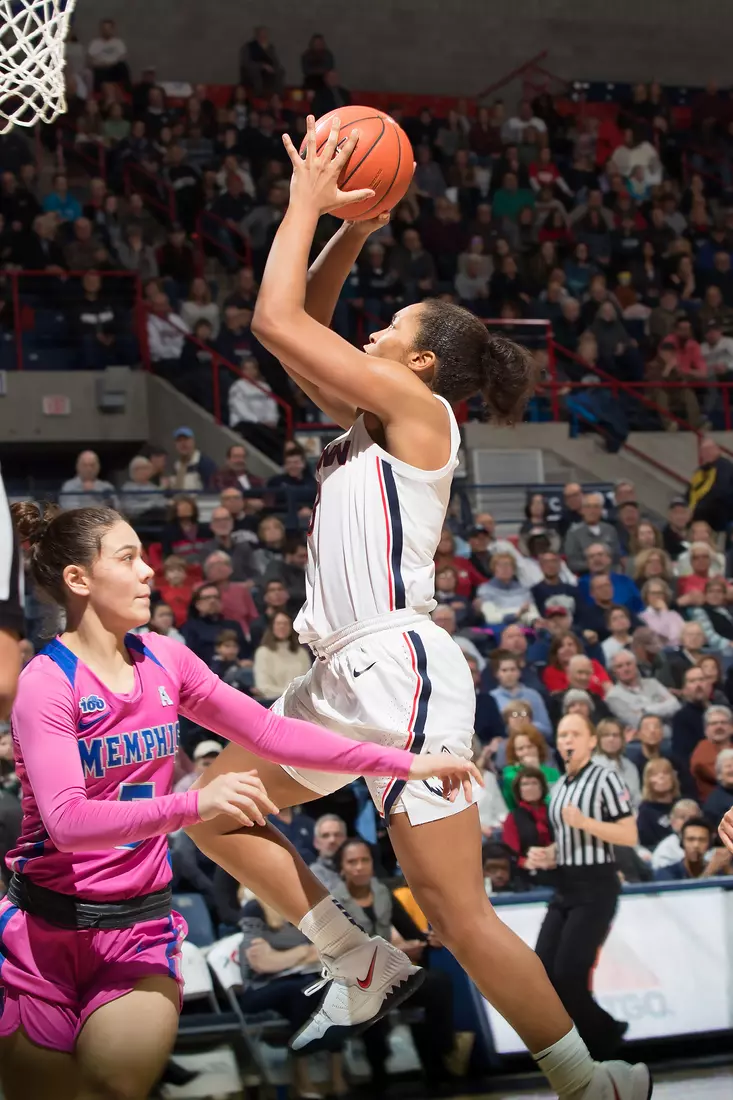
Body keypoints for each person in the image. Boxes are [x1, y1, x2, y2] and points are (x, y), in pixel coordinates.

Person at [186, 118, 650, 1098]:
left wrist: (306, 202)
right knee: (215, 807)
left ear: (422, 365)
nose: (368, 330)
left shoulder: (419, 414)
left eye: (388, 328)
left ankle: (588, 1080)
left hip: (397, 666)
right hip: (336, 673)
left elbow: (276, 322)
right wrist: (349, 230)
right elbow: (301, 330)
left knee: (454, 906)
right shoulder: (376, 411)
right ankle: (356, 961)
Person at [0, 503, 474, 1100]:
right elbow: (68, 823)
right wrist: (194, 805)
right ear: (79, 580)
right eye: (127, 558)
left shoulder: (164, 657)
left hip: (137, 927)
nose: (148, 571)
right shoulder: (46, 681)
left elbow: (273, 734)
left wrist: (405, 760)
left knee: (112, 1087)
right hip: (45, 931)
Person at [535, 713, 637, 1061]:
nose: (567, 740)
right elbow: (566, 840)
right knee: (543, 970)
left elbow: (629, 833)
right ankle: (603, 1035)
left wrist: (586, 822)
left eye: (575, 734)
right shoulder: (559, 786)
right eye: (562, 734)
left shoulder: (605, 778)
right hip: (565, 884)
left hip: (597, 886)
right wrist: (547, 854)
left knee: (568, 973)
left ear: (591, 740)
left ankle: (603, 1041)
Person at [501, 766, 556, 888]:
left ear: (542, 787)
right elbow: (510, 852)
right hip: (527, 873)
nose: (530, 787)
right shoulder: (513, 818)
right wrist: (526, 862)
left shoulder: (553, 812)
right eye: (525, 784)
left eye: (534, 783)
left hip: (556, 866)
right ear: (519, 790)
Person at [605, 650, 679, 732]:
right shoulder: (613, 696)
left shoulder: (653, 683)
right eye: (619, 666)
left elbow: (675, 705)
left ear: (636, 666)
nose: (625, 669)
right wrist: (663, 707)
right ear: (614, 672)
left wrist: (646, 710)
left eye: (629, 664)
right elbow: (637, 722)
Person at [252, 611, 312, 701]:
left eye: (285, 623)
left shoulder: (302, 653)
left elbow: (306, 683)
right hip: (272, 702)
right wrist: (288, 694)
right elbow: (263, 686)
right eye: (278, 623)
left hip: (299, 702)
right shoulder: (263, 652)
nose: (282, 626)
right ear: (272, 627)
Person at [654, 817, 732, 881]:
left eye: (702, 840)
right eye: (690, 839)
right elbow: (685, 898)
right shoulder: (665, 873)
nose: (696, 845)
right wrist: (709, 872)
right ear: (682, 842)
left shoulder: (717, 869)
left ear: (709, 844)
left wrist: (727, 869)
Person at [593, 718, 641, 809]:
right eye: (606, 735)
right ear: (598, 740)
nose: (611, 739)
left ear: (622, 739)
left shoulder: (630, 766)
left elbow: (637, 798)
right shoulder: (592, 767)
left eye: (615, 735)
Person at [689, 705, 733, 803]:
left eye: (723, 722)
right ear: (706, 730)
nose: (719, 726)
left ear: (731, 728)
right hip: (717, 806)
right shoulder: (702, 750)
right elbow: (722, 777)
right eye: (713, 723)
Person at [637, 758, 681, 849]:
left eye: (665, 773)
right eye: (655, 774)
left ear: (672, 777)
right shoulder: (645, 812)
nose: (661, 777)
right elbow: (647, 845)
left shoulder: (681, 805)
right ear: (647, 781)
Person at [309, 814, 347, 892]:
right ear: (316, 842)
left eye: (337, 835)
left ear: (345, 840)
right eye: (325, 835)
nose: (332, 840)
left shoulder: (359, 866)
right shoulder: (311, 875)